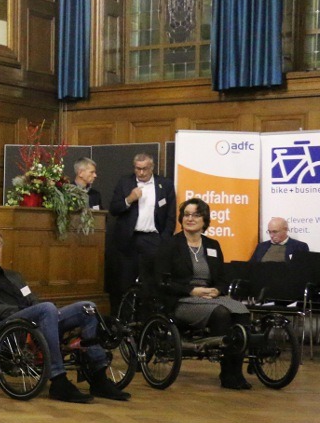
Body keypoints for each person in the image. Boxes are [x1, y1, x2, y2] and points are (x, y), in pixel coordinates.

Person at [0, 227, 129, 403]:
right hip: (1, 325)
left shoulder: (14, 276)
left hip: (31, 319)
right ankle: (58, 379)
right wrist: (22, 313)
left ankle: (98, 376)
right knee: (46, 309)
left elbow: (31, 298)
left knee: (87, 307)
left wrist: (42, 312)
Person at [154, 198, 253, 389]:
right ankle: (226, 374)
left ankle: (235, 372)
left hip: (210, 298)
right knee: (222, 313)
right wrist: (192, 290)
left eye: (196, 215)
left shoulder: (212, 245)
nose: (190, 218)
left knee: (241, 311)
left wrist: (218, 290)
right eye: (187, 214)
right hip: (182, 300)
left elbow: (222, 279)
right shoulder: (170, 245)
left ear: (204, 219)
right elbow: (162, 281)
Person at [107, 152, 175, 313]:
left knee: (152, 283)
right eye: (138, 169)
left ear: (152, 167)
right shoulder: (125, 182)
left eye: (145, 169)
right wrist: (129, 199)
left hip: (153, 240)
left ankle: (149, 321)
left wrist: (164, 239)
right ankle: (124, 320)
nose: (141, 173)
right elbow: (113, 209)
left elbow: (171, 216)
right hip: (129, 241)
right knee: (125, 283)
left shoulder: (164, 184)